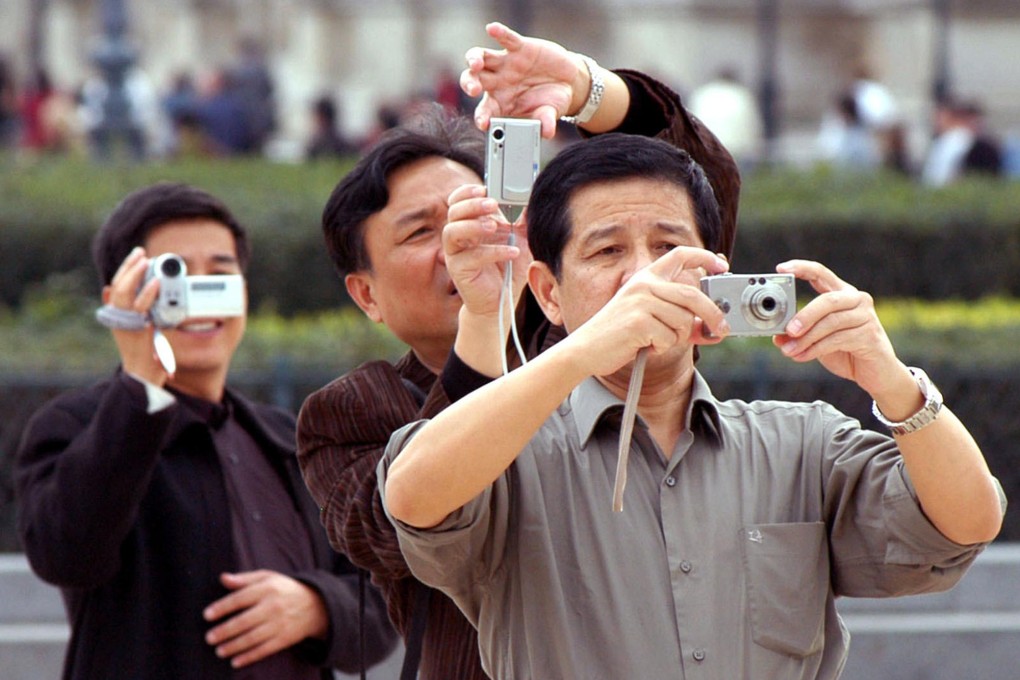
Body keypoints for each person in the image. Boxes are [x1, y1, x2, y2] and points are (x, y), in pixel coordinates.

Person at [379, 133, 1006, 679]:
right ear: (548, 293)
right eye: (606, 253)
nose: (642, 277)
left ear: (714, 274)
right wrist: (586, 349)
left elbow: (966, 523)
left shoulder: (801, 443)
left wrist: (893, 383)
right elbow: (413, 495)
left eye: (667, 247)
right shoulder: (508, 453)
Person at [296, 21, 740, 680]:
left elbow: (686, 193)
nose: (461, 238)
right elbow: (412, 521)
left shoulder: (594, 330)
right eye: (424, 231)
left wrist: (589, 94)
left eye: (474, 209)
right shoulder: (349, 415)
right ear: (367, 295)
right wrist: (483, 323)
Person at [14, 183, 396, 679]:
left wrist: (316, 606)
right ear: (118, 298)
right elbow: (66, 555)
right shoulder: (78, 427)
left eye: (218, 274)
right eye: (171, 275)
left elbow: (381, 598)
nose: (195, 297)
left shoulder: (288, 438)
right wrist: (140, 387)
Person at [688, 66, 763, 171]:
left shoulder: (702, 94)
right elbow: (751, 126)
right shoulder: (741, 96)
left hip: (707, 149)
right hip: (735, 150)